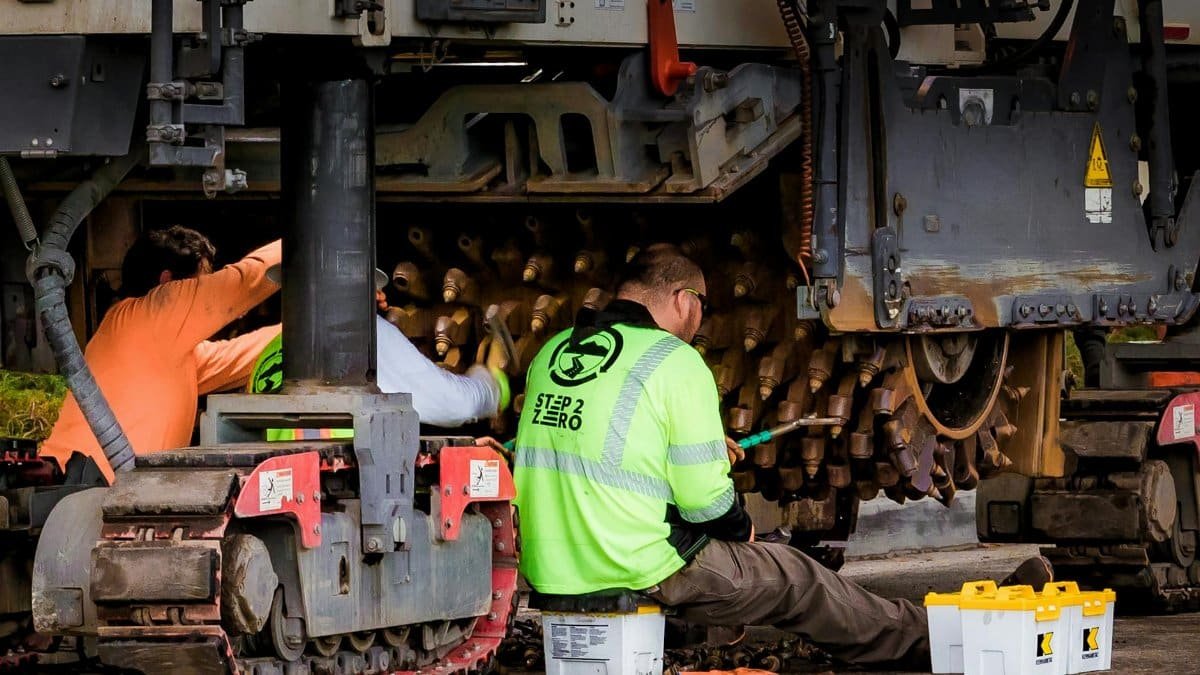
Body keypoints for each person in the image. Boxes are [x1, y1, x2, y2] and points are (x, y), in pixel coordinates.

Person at [509, 244, 1052, 668]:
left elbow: (593, 455)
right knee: (799, 578)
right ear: (683, 300)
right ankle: (938, 639)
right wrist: (742, 528)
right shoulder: (674, 361)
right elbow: (707, 503)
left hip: (552, 569)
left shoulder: (556, 351)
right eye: (701, 307)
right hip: (633, 567)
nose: (699, 320)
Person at [40, 226, 281, 484]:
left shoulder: (157, 344)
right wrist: (309, 235)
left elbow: (243, 356)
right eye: (202, 282)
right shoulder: (152, 313)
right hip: (76, 492)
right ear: (167, 283)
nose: (207, 291)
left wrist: (320, 329)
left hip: (91, 492)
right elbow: (241, 283)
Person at [248, 268, 508, 429]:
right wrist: (491, 383)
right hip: (332, 491)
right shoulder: (363, 335)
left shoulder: (270, 353)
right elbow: (451, 403)